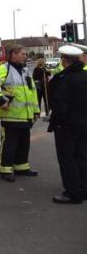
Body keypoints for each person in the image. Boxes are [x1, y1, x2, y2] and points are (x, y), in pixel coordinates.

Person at [0, 44, 40, 182]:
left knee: (24, 143)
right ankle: (6, 170)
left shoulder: (26, 70)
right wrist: (1, 101)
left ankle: (21, 168)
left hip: (25, 116)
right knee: (9, 144)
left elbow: (32, 92)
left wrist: (36, 110)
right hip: (10, 115)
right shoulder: (4, 69)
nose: (25, 56)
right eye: (22, 53)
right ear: (13, 54)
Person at [47, 45, 87, 204]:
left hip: (67, 126)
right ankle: (84, 189)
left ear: (65, 60)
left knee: (67, 159)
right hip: (84, 125)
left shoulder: (63, 79)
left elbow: (59, 105)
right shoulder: (85, 76)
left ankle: (72, 193)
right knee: (82, 157)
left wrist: (56, 122)